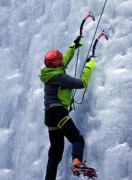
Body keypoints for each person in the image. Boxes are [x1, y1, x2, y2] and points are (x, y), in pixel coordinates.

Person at [39, 36, 96, 180]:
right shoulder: (59, 76)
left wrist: (73, 45)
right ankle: (76, 162)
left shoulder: (49, 73)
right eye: (58, 59)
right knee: (77, 139)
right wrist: (89, 65)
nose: (61, 60)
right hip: (58, 112)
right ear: (55, 63)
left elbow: (63, 61)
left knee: (56, 152)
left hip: (50, 116)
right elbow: (81, 82)